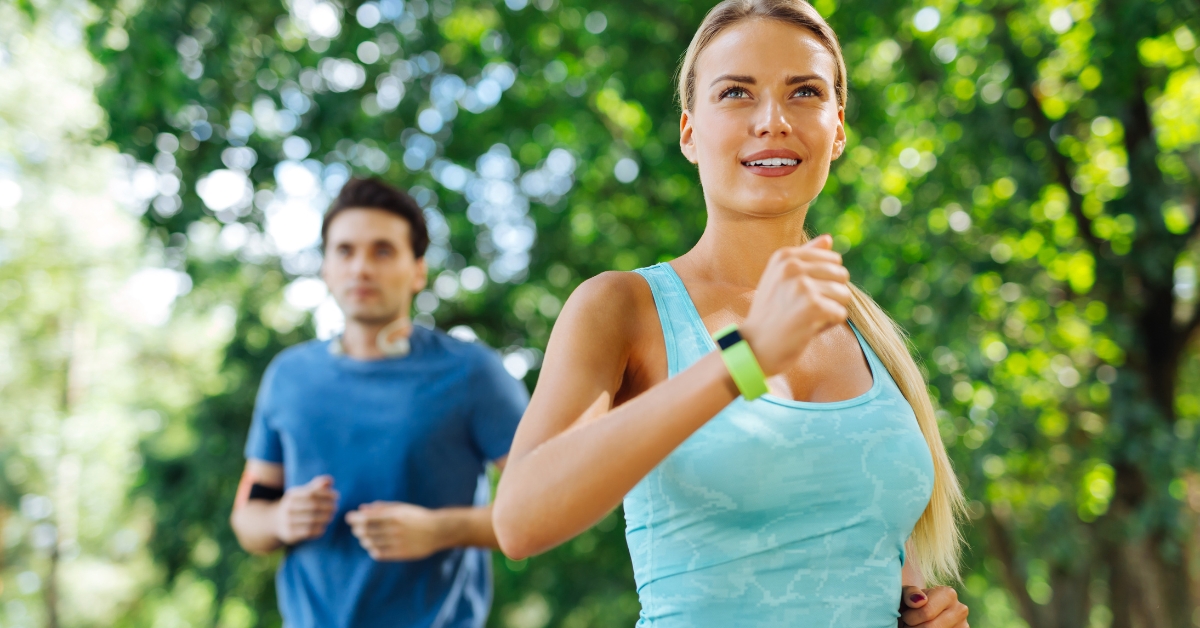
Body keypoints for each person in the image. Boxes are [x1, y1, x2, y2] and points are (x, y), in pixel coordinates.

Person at [492, 1, 970, 626]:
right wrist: (746, 359)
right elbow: (520, 521)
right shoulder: (620, 308)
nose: (772, 120)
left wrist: (918, 606)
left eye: (804, 92)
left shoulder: (866, 329)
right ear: (690, 132)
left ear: (839, 129)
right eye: (737, 93)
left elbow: (860, 544)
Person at [229, 178, 529, 628]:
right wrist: (280, 519)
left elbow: (551, 507)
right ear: (326, 267)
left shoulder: (473, 373)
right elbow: (247, 519)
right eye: (345, 251)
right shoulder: (288, 377)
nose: (361, 268)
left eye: (383, 251)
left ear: (418, 270)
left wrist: (438, 530)